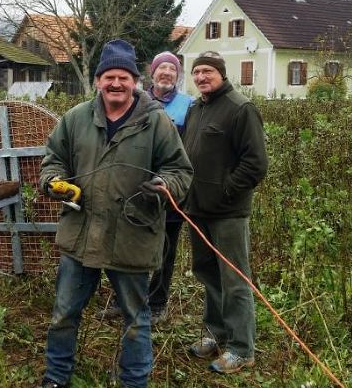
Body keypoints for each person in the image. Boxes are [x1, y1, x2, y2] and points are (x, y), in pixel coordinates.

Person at [38, 40, 193, 388]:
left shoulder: (157, 122)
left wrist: (165, 185)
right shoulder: (76, 118)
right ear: (97, 80)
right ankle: (56, 377)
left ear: (135, 81)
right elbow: (53, 160)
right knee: (64, 314)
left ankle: (135, 382)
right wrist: (53, 181)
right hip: (82, 234)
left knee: (136, 319)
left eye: (123, 76)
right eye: (109, 76)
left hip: (132, 236)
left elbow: (180, 170)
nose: (116, 84)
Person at [182, 52, 267, 374]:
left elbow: (256, 163)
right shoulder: (196, 108)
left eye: (208, 71)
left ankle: (242, 348)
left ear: (221, 73)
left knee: (234, 280)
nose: (202, 77)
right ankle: (216, 334)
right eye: (197, 72)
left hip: (228, 213)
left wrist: (225, 190)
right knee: (207, 274)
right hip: (197, 210)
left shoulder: (240, 108)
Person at [100, 51, 193, 325]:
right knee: (121, 244)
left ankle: (157, 303)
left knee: (165, 249)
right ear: (152, 74)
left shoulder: (189, 106)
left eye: (172, 69)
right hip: (132, 189)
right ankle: (121, 299)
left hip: (169, 192)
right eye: (161, 68)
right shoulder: (134, 101)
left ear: (177, 75)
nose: (166, 73)